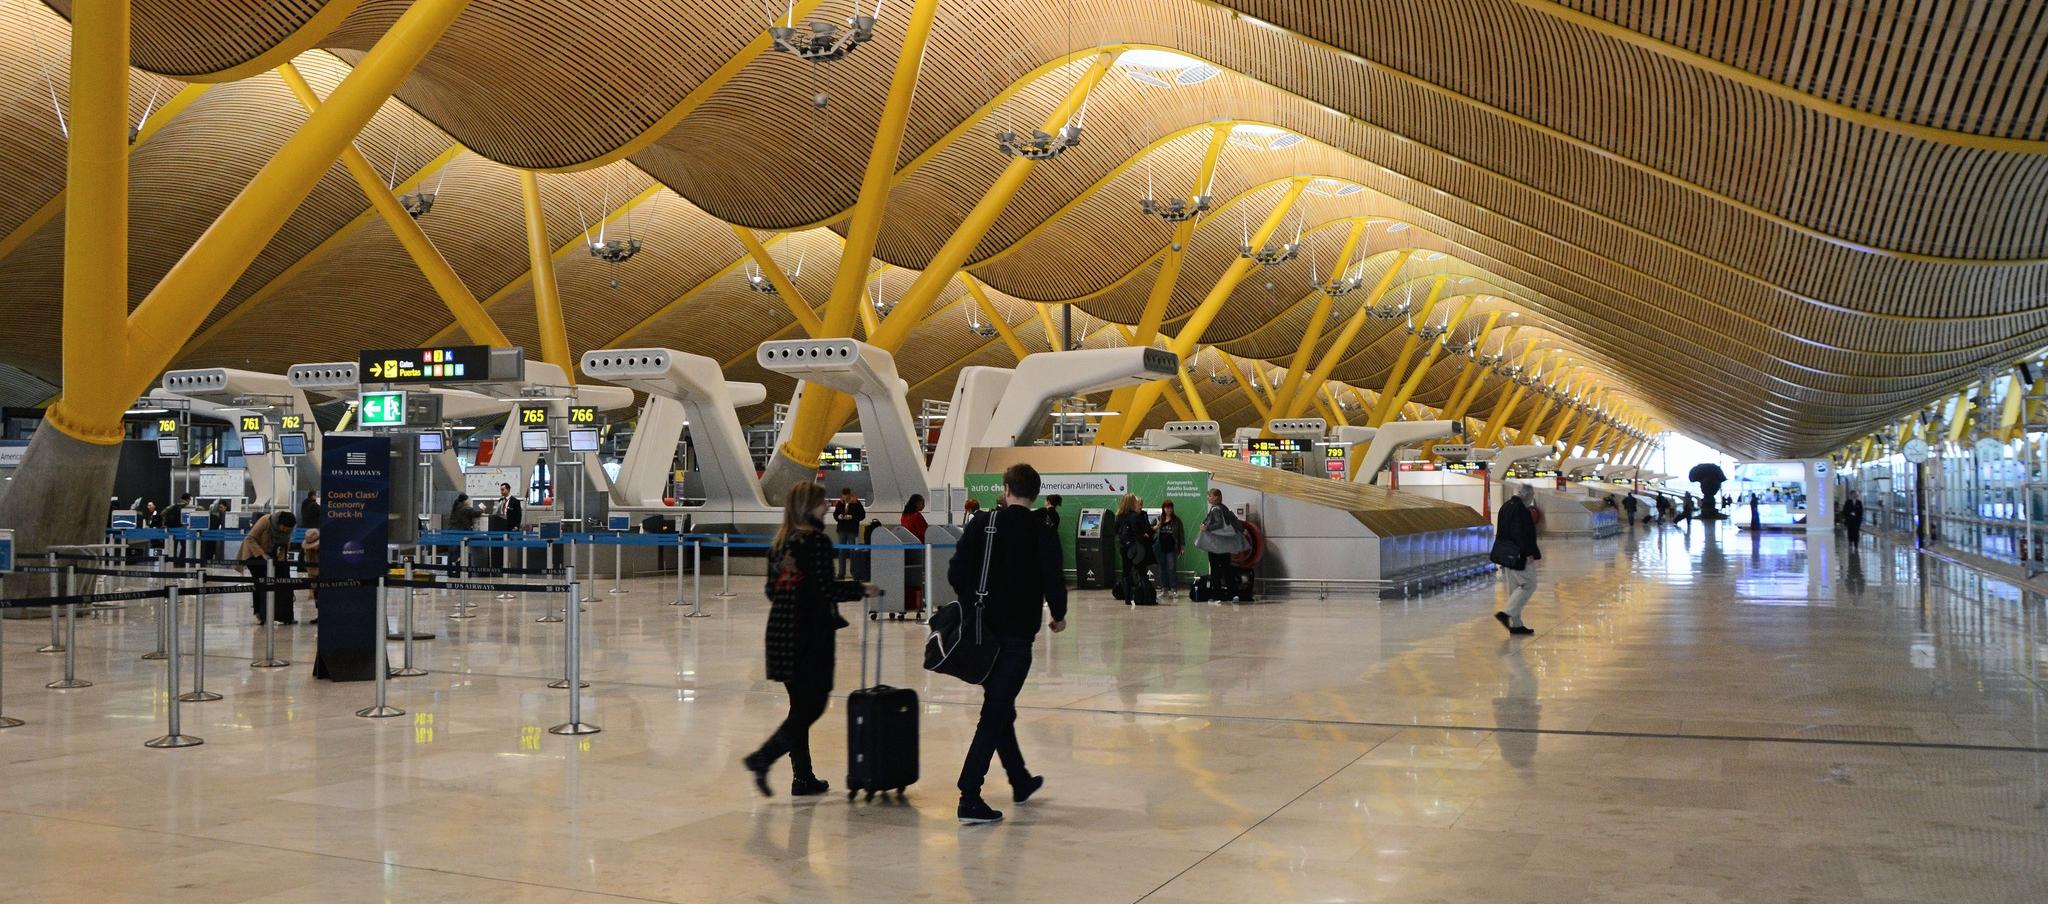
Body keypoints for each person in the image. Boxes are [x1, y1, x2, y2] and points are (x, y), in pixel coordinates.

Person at [948, 463, 1066, 825]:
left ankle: (1019, 779)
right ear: (1034, 493)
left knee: (1000, 707)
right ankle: (970, 794)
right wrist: (1058, 615)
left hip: (982, 635)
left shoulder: (983, 522)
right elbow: (1053, 577)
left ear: (1006, 487)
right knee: (996, 712)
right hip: (1016, 637)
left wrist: (975, 600)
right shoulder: (1041, 528)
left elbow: (955, 572)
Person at [743, 482, 876, 798]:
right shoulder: (815, 542)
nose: (827, 509)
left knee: (799, 707)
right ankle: (763, 758)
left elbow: (771, 591)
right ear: (808, 508)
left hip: (780, 635)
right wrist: (861, 588)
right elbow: (826, 590)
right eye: (821, 505)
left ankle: (802, 777)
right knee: (812, 706)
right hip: (809, 635)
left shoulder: (780, 543)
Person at [1493, 484, 1542, 636]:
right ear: (1527, 496)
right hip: (1518, 554)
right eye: (1532, 497)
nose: (1531, 500)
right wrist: (1527, 553)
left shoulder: (1506, 506)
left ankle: (1516, 624)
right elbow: (1520, 533)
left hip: (1506, 554)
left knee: (1514, 589)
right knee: (1529, 584)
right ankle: (1506, 613)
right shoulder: (1521, 510)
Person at [239, 510, 298, 625]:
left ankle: (281, 613)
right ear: (280, 524)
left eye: (289, 529)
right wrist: (262, 554)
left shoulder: (287, 530)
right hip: (253, 554)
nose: (287, 531)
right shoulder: (266, 521)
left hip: (269, 555)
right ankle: (260, 613)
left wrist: (281, 558)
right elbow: (249, 539)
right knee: (260, 583)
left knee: (281, 580)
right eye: (286, 528)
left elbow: (286, 544)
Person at [1195, 488, 1251, 598]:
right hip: (1225, 545)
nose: (1208, 498)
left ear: (1216, 497)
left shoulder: (1215, 509)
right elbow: (1235, 520)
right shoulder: (1224, 508)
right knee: (1227, 569)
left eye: (1210, 496)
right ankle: (1232, 593)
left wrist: (1206, 527)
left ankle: (1217, 594)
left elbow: (1218, 524)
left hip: (1215, 545)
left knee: (1215, 570)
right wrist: (1242, 530)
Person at [1113, 493, 1153, 600]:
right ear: (1131, 502)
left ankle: (1127, 596)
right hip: (1136, 549)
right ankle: (1145, 595)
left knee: (1126, 571)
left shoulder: (1119, 516)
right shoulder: (1135, 516)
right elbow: (1138, 533)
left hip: (1123, 547)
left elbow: (1115, 531)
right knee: (1141, 571)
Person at [1153, 499, 1185, 600]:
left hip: (1171, 548)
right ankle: (1164, 590)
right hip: (1160, 548)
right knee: (1162, 569)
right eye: (1166, 507)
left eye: (1170, 507)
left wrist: (1182, 547)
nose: (1168, 510)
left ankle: (1174, 590)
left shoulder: (1177, 520)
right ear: (1163, 508)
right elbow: (1151, 530)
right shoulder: (1159, 519)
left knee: (1171, 568)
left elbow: (1181, 535)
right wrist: (1156, 526)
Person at [486, 482, 523, 570]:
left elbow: (518, 515)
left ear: (508, 489)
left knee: (508, 548)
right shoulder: (500, 501)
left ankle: (509, 565)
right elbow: (497, 513)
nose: (501, 491)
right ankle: (498, 565)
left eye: (503, 489)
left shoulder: (515, 501)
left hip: (509, 527)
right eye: (501, 490)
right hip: (499, 527)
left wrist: (516, 526)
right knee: (499, 548)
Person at [831, 488, 866, 578]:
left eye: (847, 495)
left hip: (852, 530)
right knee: (841, 552)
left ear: (850, 494)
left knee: (853, 552)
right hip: (842, 529)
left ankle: (854, 572)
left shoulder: (856, 503)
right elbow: (835, 514)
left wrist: (852, 517)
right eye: (844, 495)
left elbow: (862, 515)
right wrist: (838, 516)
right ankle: (841, 573)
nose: (845, 497)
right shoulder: (840, 503)